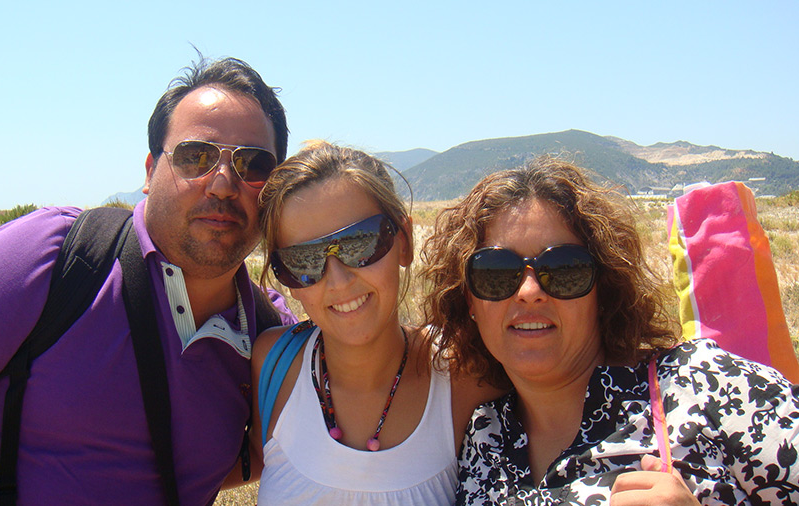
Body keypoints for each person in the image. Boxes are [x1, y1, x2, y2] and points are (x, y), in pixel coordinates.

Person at [0, 55, 296, 505]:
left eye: (253, 165)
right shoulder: (52, 258)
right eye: (196, 157)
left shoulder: (270, 340)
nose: (222, 183)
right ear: (150, 171)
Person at [421, 156, 799, 505]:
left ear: (603, 289)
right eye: (496, 272)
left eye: (565, 268)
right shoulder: (483, 437)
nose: (529, 291)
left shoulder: (701, 386)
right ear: (469, 301)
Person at [249, 141, 497, 505]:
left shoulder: (464, 378)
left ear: (403, 242)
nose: (338, 281)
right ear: (286, 279)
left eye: (359, 243)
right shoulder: (273, 364)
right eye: (304, 260)